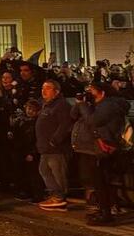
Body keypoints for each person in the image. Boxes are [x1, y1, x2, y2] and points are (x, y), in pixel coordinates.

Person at [74, 80, 129, 226]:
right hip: (98, 146)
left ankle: (106, 213)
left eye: (92, 90)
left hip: (104, 146)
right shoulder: (101, 105)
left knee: (101, 180)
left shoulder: (108, 106)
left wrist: (83, 105)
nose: (89, 92)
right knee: (99, 180)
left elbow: (93, 121)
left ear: (102, 92)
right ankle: (104, 209)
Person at [34, 79, 74, 210]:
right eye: (42, 88)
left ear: (56, 91)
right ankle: (55, 194)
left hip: (56, 148)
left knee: (57, 173)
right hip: (45, 147)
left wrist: (55, 140)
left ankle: (60, 197)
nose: (44, 91)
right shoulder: (47, 105)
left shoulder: (61, 105)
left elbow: (65, 125)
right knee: (44, 170)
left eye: (48, 88)